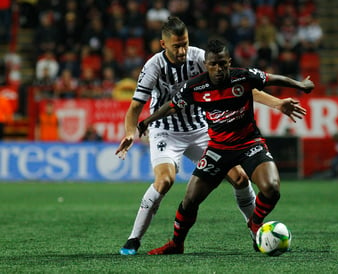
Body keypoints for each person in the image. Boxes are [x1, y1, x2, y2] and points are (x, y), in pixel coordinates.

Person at [115, 16, 295, 256]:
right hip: (167, 130)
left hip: (200, 129)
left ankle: (256, 233)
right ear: (163, 45)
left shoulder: (201, 57)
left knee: (240, 179)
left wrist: (276, 104)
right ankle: (134, 238)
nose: (182, 50)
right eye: (176, 46)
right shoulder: (153, 67)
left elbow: (241, 86)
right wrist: (130, 132)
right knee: (164, 181)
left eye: (185, 44)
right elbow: (135, 107)